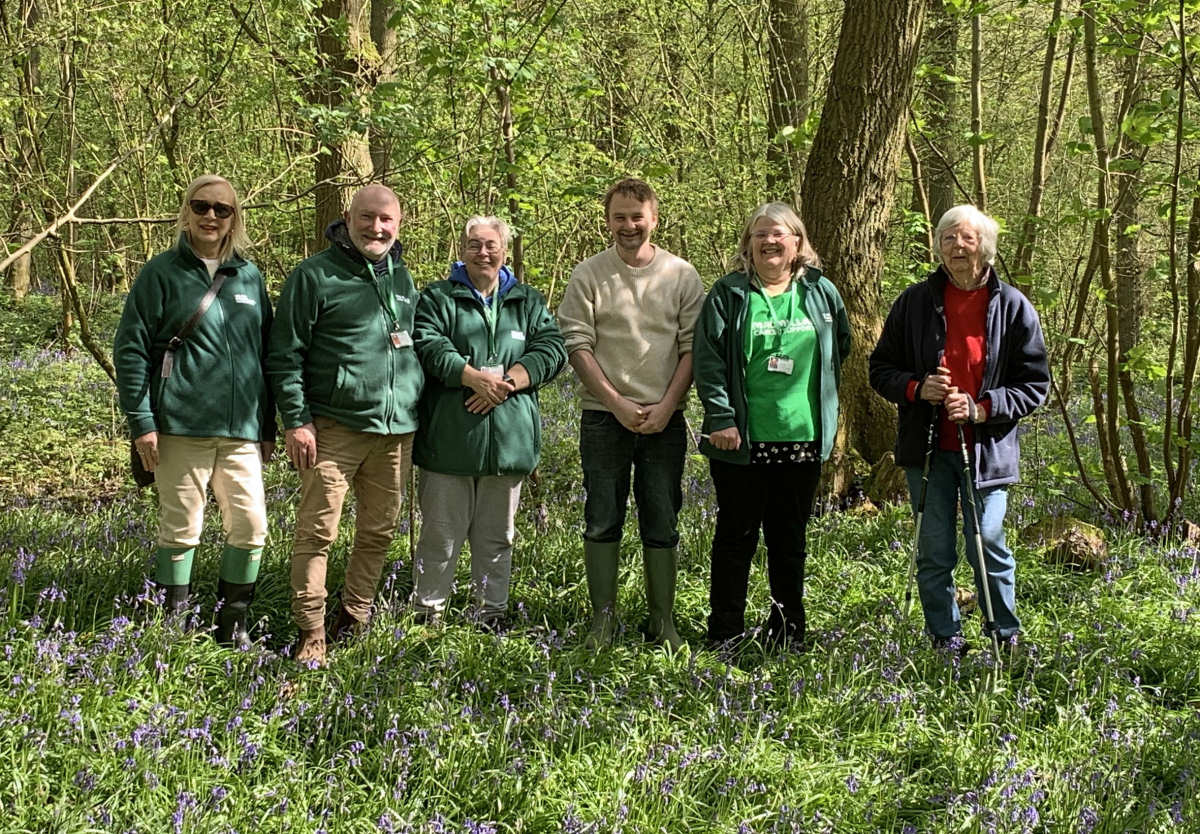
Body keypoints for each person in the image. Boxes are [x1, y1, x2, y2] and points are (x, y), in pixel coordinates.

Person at [869, 204, 1048, 652]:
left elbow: (1035, 384)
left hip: (986, 452)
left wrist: (984, 408)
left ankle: (1004, 636)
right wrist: (917, 388)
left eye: (965, 238)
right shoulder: (914, 301)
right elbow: (880, 369)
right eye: (947, 238)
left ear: (984, 247)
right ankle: (945, 638)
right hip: (928, 450)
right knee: (934, 551)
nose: (956, 246)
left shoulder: (1012, 306)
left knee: (986, 544)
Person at [114, 174, 274, 648]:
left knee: (251, 526)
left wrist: (266, 426)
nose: (210, 217)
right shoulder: (160, 273)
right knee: (181, 529)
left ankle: (232, 626)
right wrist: (142, 422)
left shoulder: (249, 275)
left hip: (241, 430)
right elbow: (131, 349)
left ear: (233, 218)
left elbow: (265, 355)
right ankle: (173, 629)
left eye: (221, 210)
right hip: (179, 426)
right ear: (187, 212)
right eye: (201, 207)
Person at [267, 184, 424, 667]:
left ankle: (354, 617)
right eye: (367, 218)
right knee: (317, 533)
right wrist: (297, 421)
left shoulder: (402, 276)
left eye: (386, 220)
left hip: (396, 431)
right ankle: (311, 631)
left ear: (398, 224)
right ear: (347, 218)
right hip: (333, 428)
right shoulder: (314, 275)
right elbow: (284, 354)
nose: (376, 228)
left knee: (379, 531)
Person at [693, 201, 850, 650]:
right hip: (740, 438)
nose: (769, 241)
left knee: (789, 540)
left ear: (798, 243)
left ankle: (788, 632)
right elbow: (708, 360)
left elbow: (840, 347)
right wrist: (721, 416)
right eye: (760, 234)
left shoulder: (821, 292)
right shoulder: (729, 294)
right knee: (735, 538)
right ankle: (725, 633)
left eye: (779, 233)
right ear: (749, 245)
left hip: (802, 437)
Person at [558, 178, 705, 651]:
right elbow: (576, 344)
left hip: (665, 420)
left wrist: (666, 407)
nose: (628, 226)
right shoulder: (588, 275)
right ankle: (603, 621)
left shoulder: (682, 276)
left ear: (654, 219)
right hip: (604, 417)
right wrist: (617, 403)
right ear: (608, 220)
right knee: (602, 518)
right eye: (619, 217)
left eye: (636, 217)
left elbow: (693, 348)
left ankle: (662, 621)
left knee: (662, 519)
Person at [409, 216, 566, 628]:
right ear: (462, 250)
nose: (484, 253)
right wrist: (472, 378)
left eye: (491, 245)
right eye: (475, 244)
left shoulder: (527, 301)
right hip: (449, 441)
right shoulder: (439, 297)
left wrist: (508, 382)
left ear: (504, 250)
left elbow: (552, 348)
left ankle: (490, 614)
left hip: (509, 441)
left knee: (498, 538)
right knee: (440, 537)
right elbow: (427, 342)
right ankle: (429, 616)